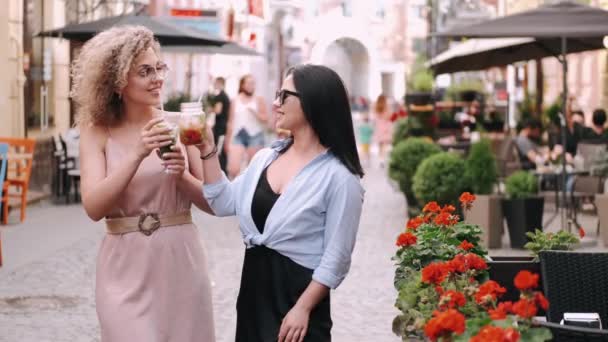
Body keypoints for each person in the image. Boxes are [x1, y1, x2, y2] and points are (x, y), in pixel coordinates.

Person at [197, 64, 364, 342]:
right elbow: (223, 202)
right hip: (253, 297)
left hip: (298, 308)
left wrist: (303, 308)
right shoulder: (265, 158)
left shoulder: (340, 178)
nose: (275, 103)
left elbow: (336, 258)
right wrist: (207, 151)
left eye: (284, 96)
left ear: (312, 102)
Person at [72, 26, 215, 341]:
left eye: (159, 68)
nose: (157, 78)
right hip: (124, 265)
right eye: (145, 71)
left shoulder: (182, 125)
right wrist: (137, 153)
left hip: (180, 260)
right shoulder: (97, 131)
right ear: (118, 81)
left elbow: (211, 201)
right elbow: (94, 207)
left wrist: (183, 175)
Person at [226, 74, 268, 179]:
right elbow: (230, 121)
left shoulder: (259, 99)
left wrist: (255, 113)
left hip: (255, 136)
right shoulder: (235, 100)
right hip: (238, 135)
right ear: (242, 85)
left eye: (253, 83)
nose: (251, 85)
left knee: (253, 170)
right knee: (233, 169)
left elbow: (266, 119)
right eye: (248, 83)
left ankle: (249, 193)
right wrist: (227, 140)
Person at [211, 76, 230, 171]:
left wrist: (209, 109)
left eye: (215, 83)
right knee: (221, 151)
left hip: (220, 128)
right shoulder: (225, 96)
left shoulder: (220, 96)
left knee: (219, 151)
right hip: (223, 126)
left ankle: (220, 171)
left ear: (220, 83)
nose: (214, 85)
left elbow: (218, 110)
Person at [371, 94, 393, 165]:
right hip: (386, 127)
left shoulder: (375, 106)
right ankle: (383, 158)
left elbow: (374, 117)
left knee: (380, 145)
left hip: (378, 127)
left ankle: (381, 159)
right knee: (384, 144)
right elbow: (389, 116)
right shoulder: (387, 106)